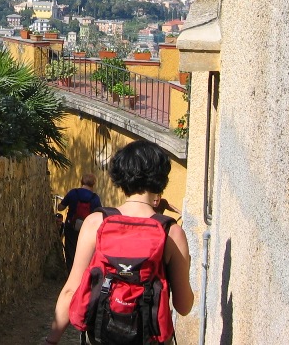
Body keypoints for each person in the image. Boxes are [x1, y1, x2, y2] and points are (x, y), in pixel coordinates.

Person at [45, 141, 194, 345]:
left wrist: (51, 340)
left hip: (100, 336)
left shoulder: (96, 222)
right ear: (161, 178)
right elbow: (183, 306)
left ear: (120, 176)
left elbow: (71, 290)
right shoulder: (172, 233)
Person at [57, 173, 102, 271]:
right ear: (93, 184)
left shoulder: (73, 193)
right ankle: (83, 275)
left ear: (81, 181)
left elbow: (60, 208)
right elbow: (99, 215)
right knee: (86, 253)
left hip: (71, 227)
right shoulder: (95, 198)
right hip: (87, 230)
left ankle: (70, 274)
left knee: (70, 251)